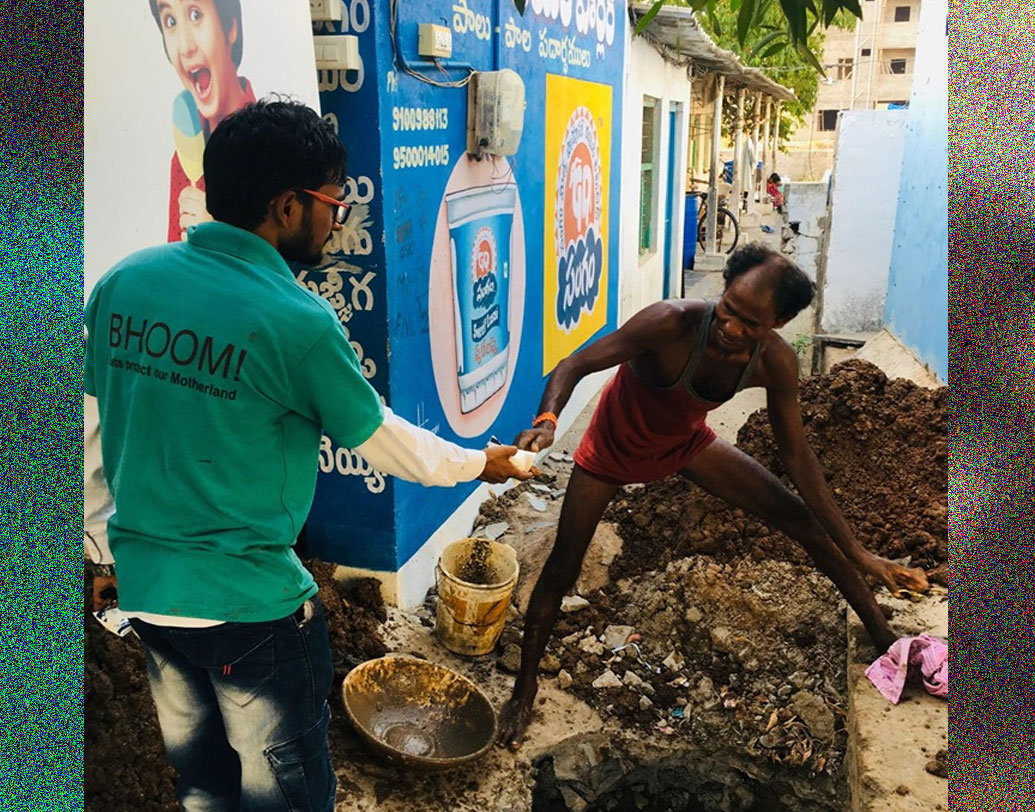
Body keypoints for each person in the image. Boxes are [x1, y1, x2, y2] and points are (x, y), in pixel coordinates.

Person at [84, 99, 531, 811]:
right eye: (334, 199)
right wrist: (481, 462)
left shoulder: (123, 283)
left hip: (151, 599)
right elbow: (384, 440)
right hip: (248, 613)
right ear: (286, 206)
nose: (338, 218)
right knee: (283, 797)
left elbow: (91, 428)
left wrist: (100, 550)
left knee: (203, 786)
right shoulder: (295, 320)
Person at [495, 243, 930, 750]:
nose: (732, 327)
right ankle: (523, 691)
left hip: (685, 444)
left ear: (781, 321)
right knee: (561, 568)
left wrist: (861, 554)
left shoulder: (776, 363)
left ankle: (885, 640)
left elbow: (797, 457)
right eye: (729, 309)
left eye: (752, 322)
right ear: (722, 290)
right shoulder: (669, 322)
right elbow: (574, 363)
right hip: (611, 449)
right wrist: (546, 424)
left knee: (802, 521)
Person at [148, 0, 254, 242]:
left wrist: (216, 234)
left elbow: (279, 267)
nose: (185, 47)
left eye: (196, 15)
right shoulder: (183, 159)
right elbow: (174, 266)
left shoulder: (275, 144)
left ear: (230, 27)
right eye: (171, 21)